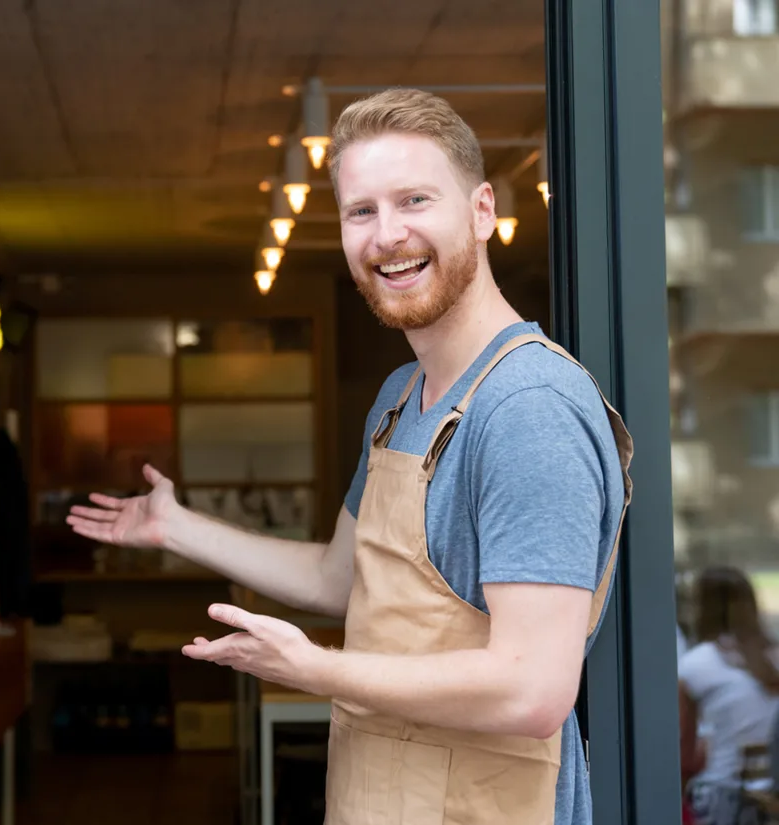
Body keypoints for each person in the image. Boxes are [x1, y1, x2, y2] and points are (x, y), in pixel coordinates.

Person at [67, 88, 632, 825]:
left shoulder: (528, 409)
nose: (386, 234)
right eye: (361, 211)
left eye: (414, 200)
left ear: (483, 210)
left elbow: (533, 688)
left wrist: (317, 669)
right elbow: (340, 577)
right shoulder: (402, 396)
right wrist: (175, 527)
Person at [678, 566, 779, 825]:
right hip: (771, 799)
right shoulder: (773, 656)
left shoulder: (695, 664)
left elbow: (684, 759)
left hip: (720, 800)